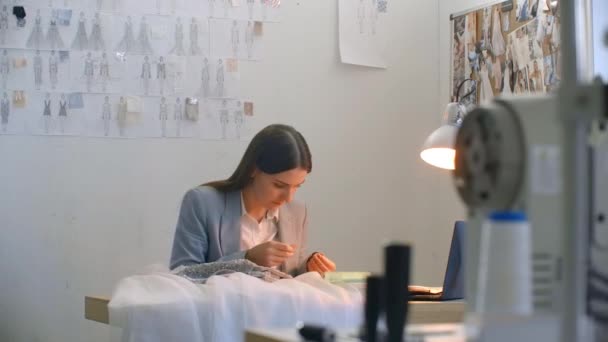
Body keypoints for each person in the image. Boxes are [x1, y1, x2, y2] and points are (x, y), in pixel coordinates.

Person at [170, 124, 336, 276]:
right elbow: (183, 273)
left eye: (297, 186)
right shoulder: (202, 202)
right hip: (224, 307)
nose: (288, 197)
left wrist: (308, 267)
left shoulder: (297, 212)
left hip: (278, 307)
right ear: (253, 170)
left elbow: (290, 276)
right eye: (279, 185)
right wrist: (248, 258)